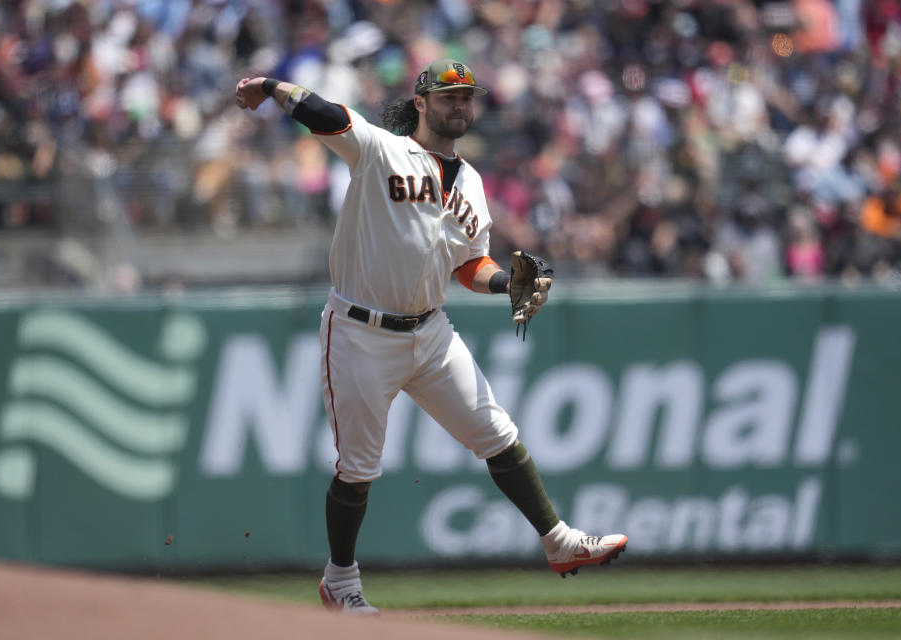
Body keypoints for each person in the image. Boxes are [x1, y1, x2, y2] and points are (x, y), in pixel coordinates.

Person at [234, 59, 628, 614]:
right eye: (448, 97)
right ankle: (340, 581)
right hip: (359, 332)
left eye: (467, 97)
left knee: (497, 434)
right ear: (421, 102)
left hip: (431, 330)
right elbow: (323, 114)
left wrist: (506, 285)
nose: (460, 106)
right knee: (358, 468)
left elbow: (470, 264)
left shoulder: (471, 181)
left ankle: (559, 542)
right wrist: (272, 87)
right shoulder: (381, 150)